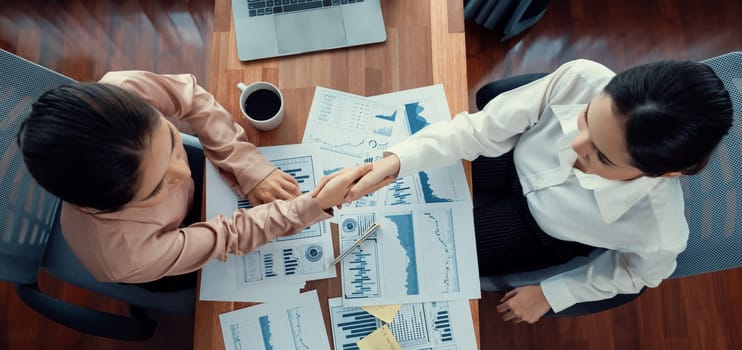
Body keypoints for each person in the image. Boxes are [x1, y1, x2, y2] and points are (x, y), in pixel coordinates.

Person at [344, 59, 734, 323]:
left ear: (665, 173)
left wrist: (553, 294)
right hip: (510, 156)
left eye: (601, 156)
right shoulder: (582, 77)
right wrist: (397, 160)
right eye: (585, 119)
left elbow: (633, 277)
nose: (576, 147)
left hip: (538, 232)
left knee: (429, 257)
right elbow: (478, 131)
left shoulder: (659, 233)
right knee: (411, 187)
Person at [17, 71, 381, 286]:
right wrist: (316, 204)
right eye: (158, 185)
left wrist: (249, 167)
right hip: (165, 254)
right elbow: (228, 235)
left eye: (173, 142)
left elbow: (191, 100)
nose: (185, 170)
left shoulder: (122, 90)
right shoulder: (129, 256)